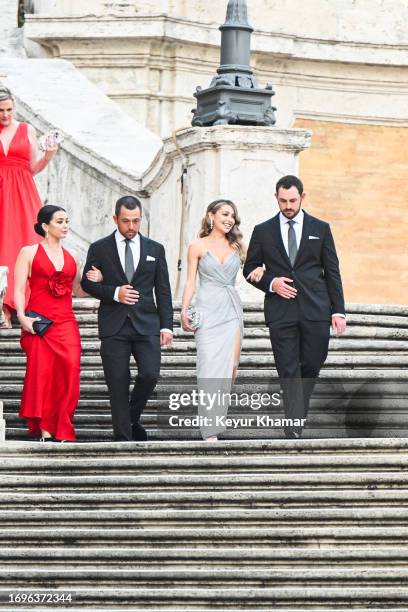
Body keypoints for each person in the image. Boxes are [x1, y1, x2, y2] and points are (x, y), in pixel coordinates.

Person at [243, 175, 346, 439]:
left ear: (303, 196)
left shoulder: (320, 228)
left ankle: (297, 413)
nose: (287, 205)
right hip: (281, 311)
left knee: (311, 365)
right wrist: (271, 282)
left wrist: (338, 310)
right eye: (282, 200)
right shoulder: (263, 230)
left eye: (292, 200)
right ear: (276, 198)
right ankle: (294, 426)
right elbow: (249, 269)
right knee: (288, 369)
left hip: (316, 309)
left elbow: (332, 271)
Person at [81, 195, 173, 442]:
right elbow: (86, 283)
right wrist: (114, 292)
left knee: (150, 374)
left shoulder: (156, 249)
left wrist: (167, 326)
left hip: (147, 325)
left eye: (136, 221)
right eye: (125, 221)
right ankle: (123, 439)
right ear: (115, 219)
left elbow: (163, 290)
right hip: (114, 326)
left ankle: (130, 419)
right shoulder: (100, 248)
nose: (131, 227)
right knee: (118, 384)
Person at [14, 205, 100, 442]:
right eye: (60, 221)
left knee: (70, 373)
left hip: (66, 322)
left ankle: (62, 423)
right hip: (39, 323)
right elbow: (19, 288)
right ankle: (47, 430)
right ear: (45, 226)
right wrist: (21, 316)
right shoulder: (29, 252)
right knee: (42, 375)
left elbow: (78, 291)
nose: (65, 226)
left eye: (67, 221)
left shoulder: (72, 256)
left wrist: (97, 281)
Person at [181, 199, 264, 441]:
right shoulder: (196, 246)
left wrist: (260, 270)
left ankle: (217, 416)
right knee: (208, 366)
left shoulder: (238, 246)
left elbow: (255, 267)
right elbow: (189, 282)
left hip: (231, 311)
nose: (229, 219)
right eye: (225, 214)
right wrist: (184, 310)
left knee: (231, 368)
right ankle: (210, 430)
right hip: (207, 310)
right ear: (211, 216)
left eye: (232, 216)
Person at [0, 86, 59, 328]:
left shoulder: (27, 130)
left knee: (24, 245)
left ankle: (22, 303)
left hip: (23, 192)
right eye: (1, 111)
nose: (5, 115)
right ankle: (3, 306)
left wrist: (48, 156)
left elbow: (32, 167)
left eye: (9, 109)